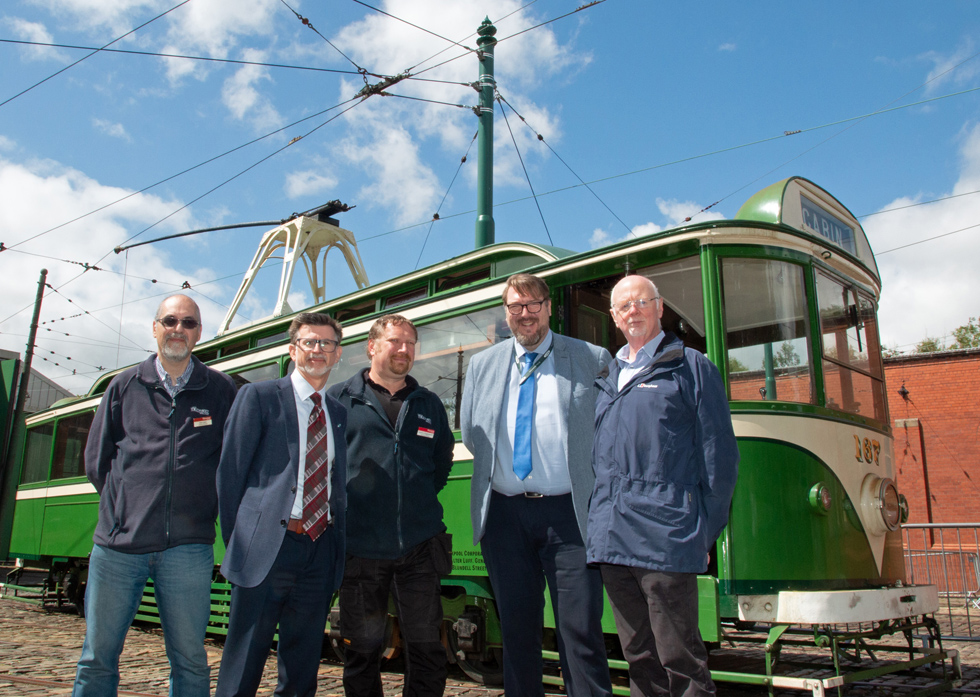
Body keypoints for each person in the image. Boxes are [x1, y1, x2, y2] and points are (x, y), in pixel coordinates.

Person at [73, 294, 237, 697]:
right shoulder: (124, 385)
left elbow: (230, 461)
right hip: (118, 548)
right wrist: (121, 510)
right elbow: (98, 459)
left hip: (187, 549)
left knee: (190, 661)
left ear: (199, 333)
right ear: (155, 327)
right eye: (170, 320)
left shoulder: (219, 389)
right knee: (97, 659)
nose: (178, 329)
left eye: (188, 322)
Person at [460, 273, 613, 697]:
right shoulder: (482, 365)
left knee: (579, 631)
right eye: (516, 307)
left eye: (533, 305)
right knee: (518, 632)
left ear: (548, 307)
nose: (525, 314)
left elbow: (609, 432)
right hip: (505, 516)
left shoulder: (591, 357)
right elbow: (472, 434)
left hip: (570, 516)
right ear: (506, 312)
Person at [587, 274, 739, 697]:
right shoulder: (608, 376)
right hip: (613, 538)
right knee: (639, 657)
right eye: (624, 306)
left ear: (659, 307)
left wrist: (700, 532)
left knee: (682, 660)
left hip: (665, 536)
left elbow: (719, 460)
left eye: (641, 302)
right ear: (615, 318)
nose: (632, 311)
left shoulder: (691, 368)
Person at [215, 312, 347, 697]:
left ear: (338, 354)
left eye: (328, 343)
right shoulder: (257, 397)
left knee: (303, 664)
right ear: (293, 350)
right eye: (310, 342)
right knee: (244, 660)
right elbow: (230, 476)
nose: (319, 350)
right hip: (267, 551)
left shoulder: (337, 412)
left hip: (319, 550)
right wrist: (243, 543)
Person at [328, 314, 454, 697]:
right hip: (361, 549)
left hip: (419, 547)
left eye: (411, 343)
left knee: (428, 649)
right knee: (362, 651)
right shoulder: (340, 399)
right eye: (396, 342)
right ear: (372, 346)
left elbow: (441, 461)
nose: (404, 350)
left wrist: (414, 501)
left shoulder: (428, 403)